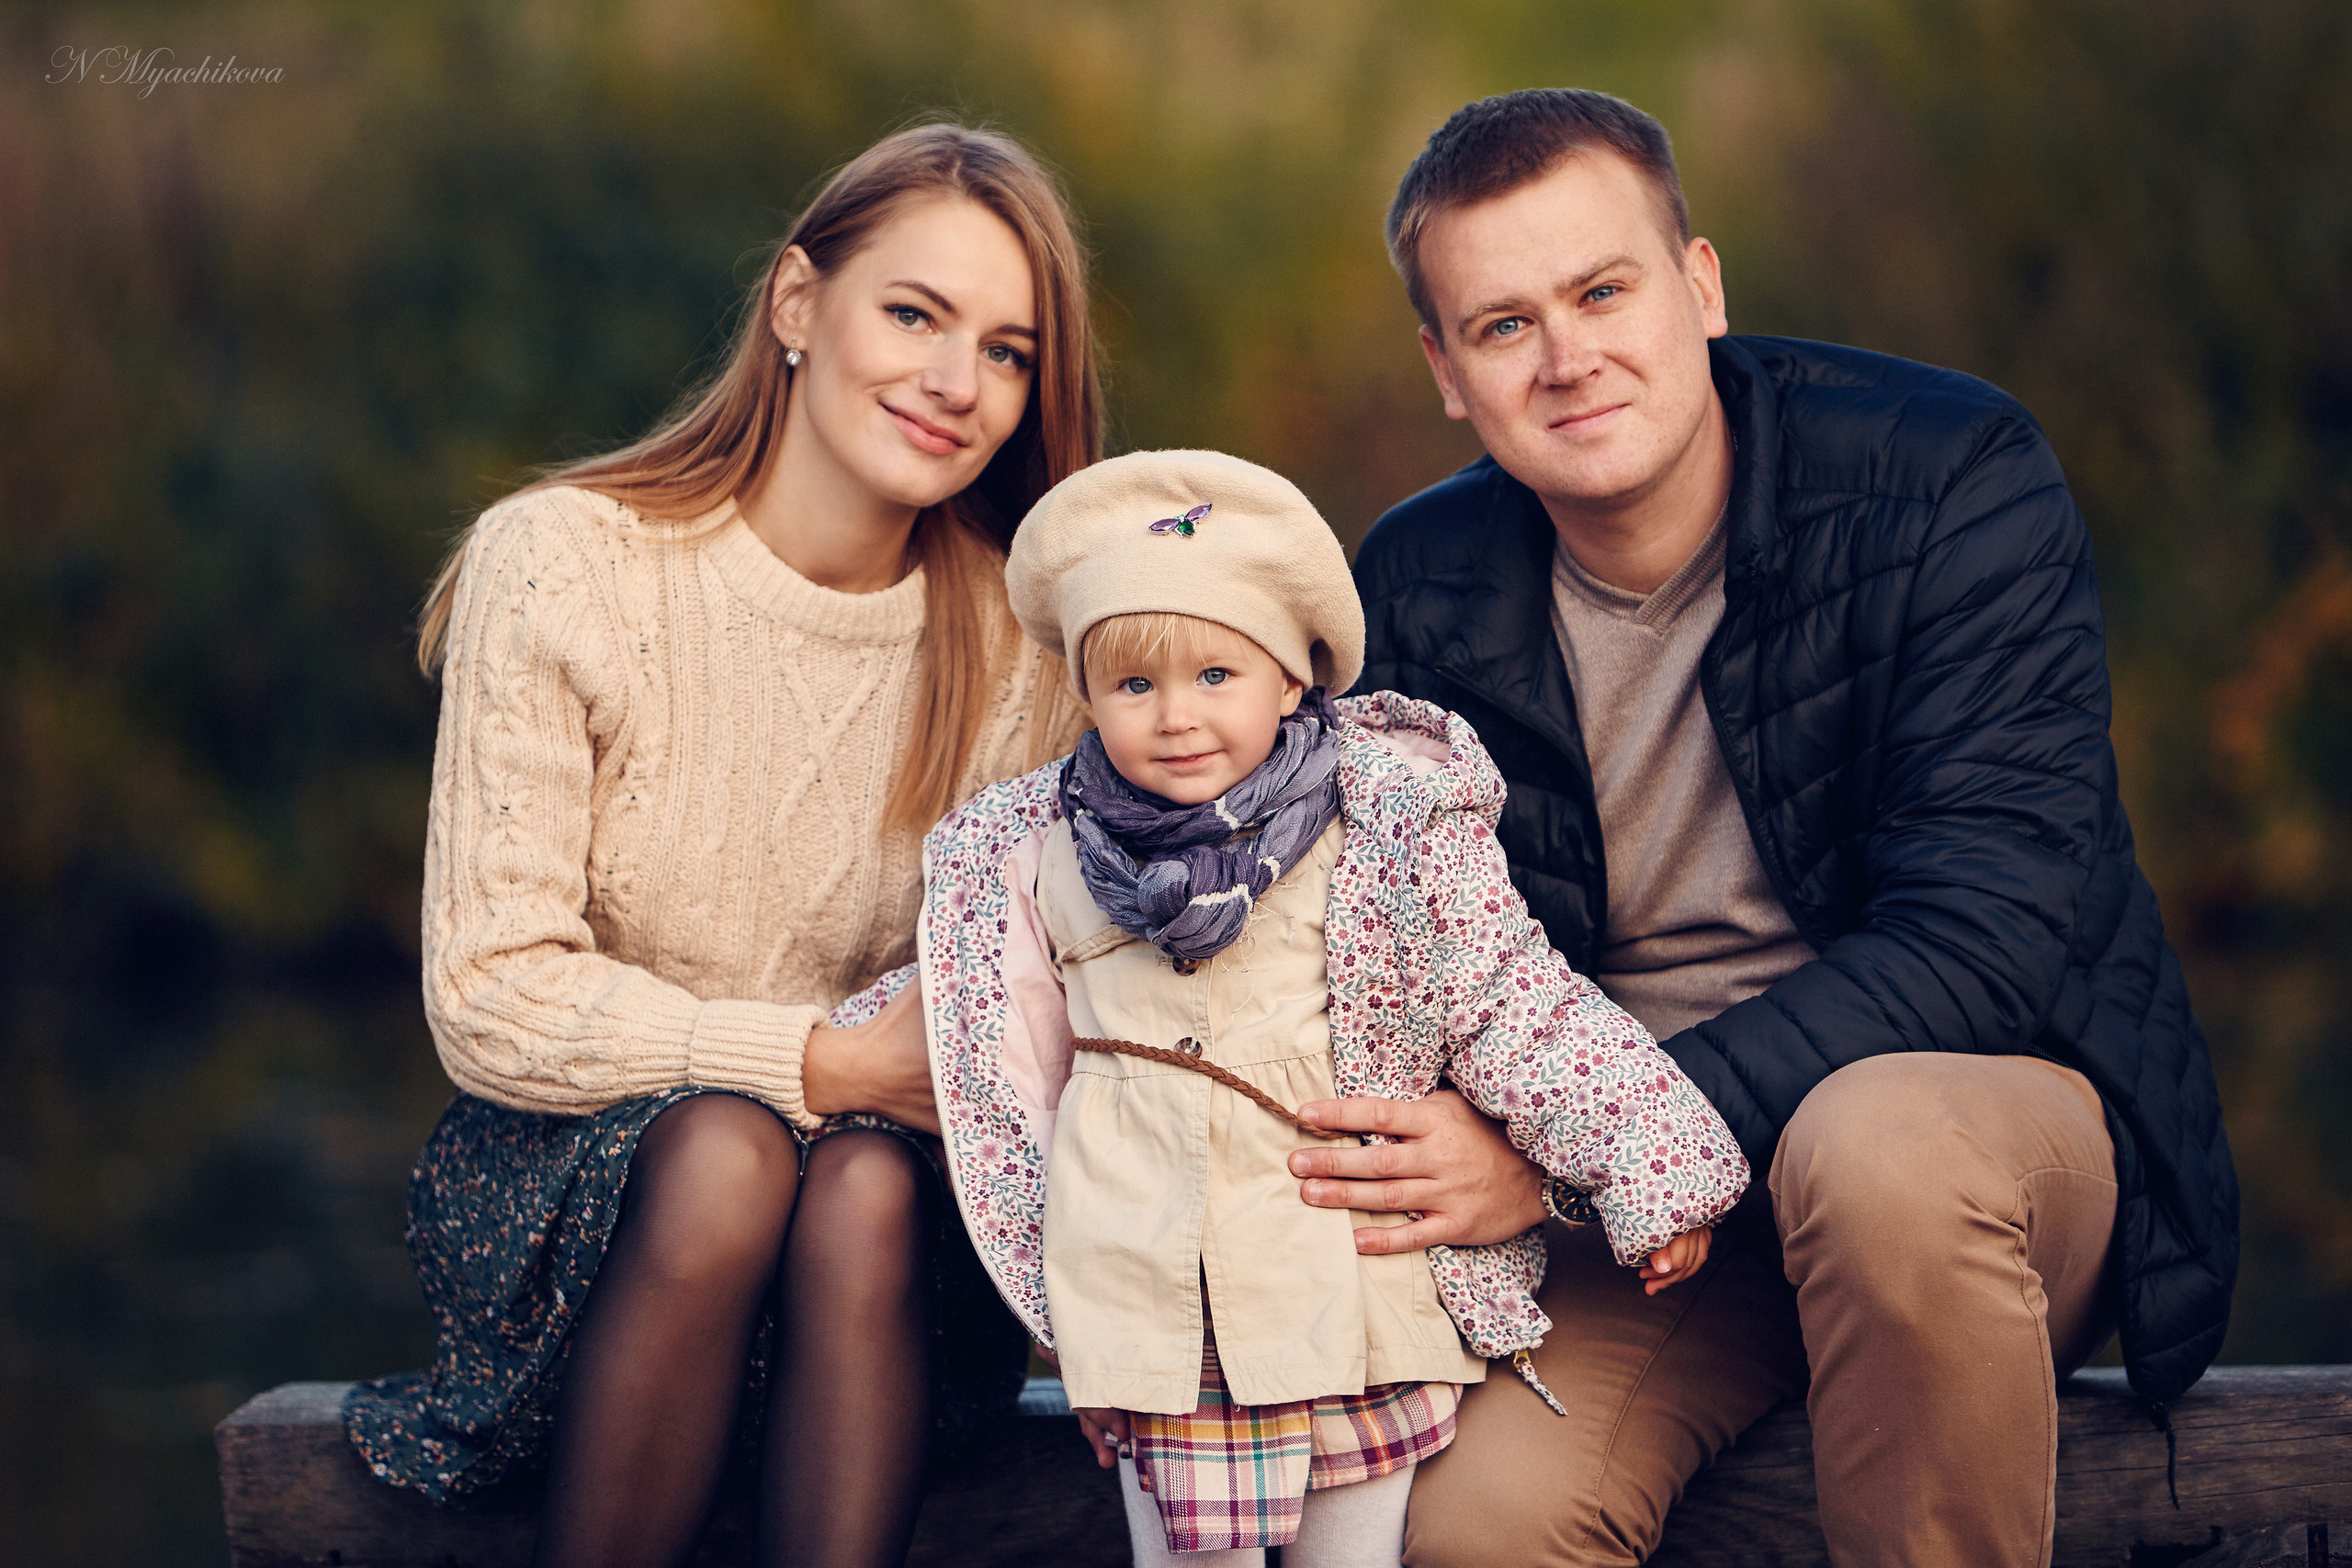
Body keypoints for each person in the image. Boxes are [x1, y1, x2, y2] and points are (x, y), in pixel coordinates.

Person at [1283, 89, 2239, 1567]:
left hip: (1966, 1143)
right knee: (1477, 1526)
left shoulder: (1948, 479)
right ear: (1447, 371)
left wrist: (1562, 1151)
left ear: (1702, 284)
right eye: (1504, 324)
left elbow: (1979, 943)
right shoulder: (1419, 579)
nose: (1570, 357)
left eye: (1605, 289)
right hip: (1644, 1228)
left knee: (1875, 1155)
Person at [341, 122, 1099, 1568]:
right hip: (589, 1231)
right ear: (799, 305)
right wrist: (822, 1060)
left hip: (883, 1275)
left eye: (1007, 351)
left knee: (866, 1178)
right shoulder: (566, 563)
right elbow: (493, 994)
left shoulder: (1027, 645)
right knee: (729, 1153)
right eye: (916, 314)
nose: (957, 382)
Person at [899, 448, 1747, 1568]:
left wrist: (1650, 1165)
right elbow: (1006, 1074)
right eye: (1134, 686)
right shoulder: (1029, 860)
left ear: (1293, 680)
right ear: (1086, 695)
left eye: (1216, 676)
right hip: (1155, 1298)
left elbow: (1513, 1001)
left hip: (1346, 1289)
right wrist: (1076, 1326)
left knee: (1352, 1557)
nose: (1175, 717)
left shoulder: (1383, 833)